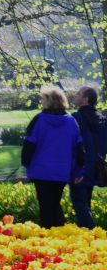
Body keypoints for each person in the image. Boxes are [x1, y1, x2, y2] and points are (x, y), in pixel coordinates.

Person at [22, 85, 85, 228]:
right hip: (61, 170)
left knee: (45, 206)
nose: (41, 101)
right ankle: (59, 233)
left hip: (40, 170)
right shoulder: (71, 122)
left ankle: (48, 234)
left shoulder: (38, 120)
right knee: (55, 203)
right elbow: (79, 148)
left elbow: (29, 144)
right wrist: (79, 170)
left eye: (43, 99)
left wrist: (26, 162)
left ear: (49, 101)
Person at [71, 86, 107, 229]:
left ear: (85, 99)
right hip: (96, 167)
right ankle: (86, 238)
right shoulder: (102, 120)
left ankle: (94, 234)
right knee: (86, 203)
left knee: (80, 204)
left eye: (78, 94)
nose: (75, 95)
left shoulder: (76, 118)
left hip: (79, 167)